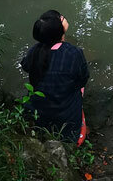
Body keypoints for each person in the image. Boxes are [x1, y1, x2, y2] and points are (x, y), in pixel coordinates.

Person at [21, 9, 89, 144]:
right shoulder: (74, 53)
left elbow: (25, 66)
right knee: (80, 88)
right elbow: (83, 79)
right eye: (60, 18)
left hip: (38, 112)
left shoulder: (35, 51)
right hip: (65, 116)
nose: (63, 17)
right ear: (59, 30)